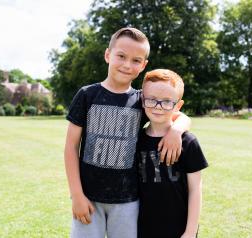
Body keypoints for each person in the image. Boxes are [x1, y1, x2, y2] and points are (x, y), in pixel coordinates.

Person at [64, 27, 191, 238]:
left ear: (143, 65)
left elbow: (182, 116)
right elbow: (70, 147)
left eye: (135, 60)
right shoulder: (87, 95)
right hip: (88, 198)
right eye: (121, 56)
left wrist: (176, 131)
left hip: (128, 201)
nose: (126, 64)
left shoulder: (142, 100)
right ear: (108, 55)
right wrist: (76, 194)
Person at [137, 69, 208, 238]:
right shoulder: (136, 140)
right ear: (142, 100)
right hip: (142, 229)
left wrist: (190, 232)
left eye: (167, 101)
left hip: (179, 229)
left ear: (178, 106)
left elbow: (195, 190)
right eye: (152, 100)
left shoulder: (188, 142)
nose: (158, 107)